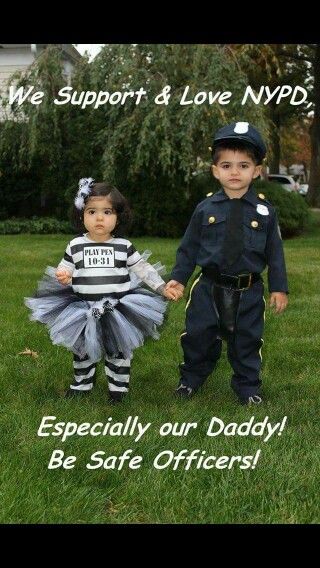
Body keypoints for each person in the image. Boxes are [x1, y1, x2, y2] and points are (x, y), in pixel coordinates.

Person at [25, 178, 181, 403]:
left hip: (118, 309)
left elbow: (143, 268)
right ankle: (81, 385)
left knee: (118, 349)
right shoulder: (76, 245)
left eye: (107, 211)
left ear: (118, 217)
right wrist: (63, 274)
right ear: (81, 216)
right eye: (92, 211)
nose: (99, 218)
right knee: (82, 349)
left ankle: (118, 389)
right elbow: (66, 266)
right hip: (82, 308)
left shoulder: (123, 246)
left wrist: (160, 286)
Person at [165, 121, 288, 405]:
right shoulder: (205, 208)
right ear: (215, 170)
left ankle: (247, 389)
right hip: (208, 286)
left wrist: (279, 288)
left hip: (249, 290)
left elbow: (275, 253)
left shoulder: (265, 212)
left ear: (257, 171)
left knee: (247, 340)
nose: (235, 172)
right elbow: (189, 247)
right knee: (197, 335)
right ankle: (190, 380)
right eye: (227, 165)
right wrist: (179, 278)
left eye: (243, 165)